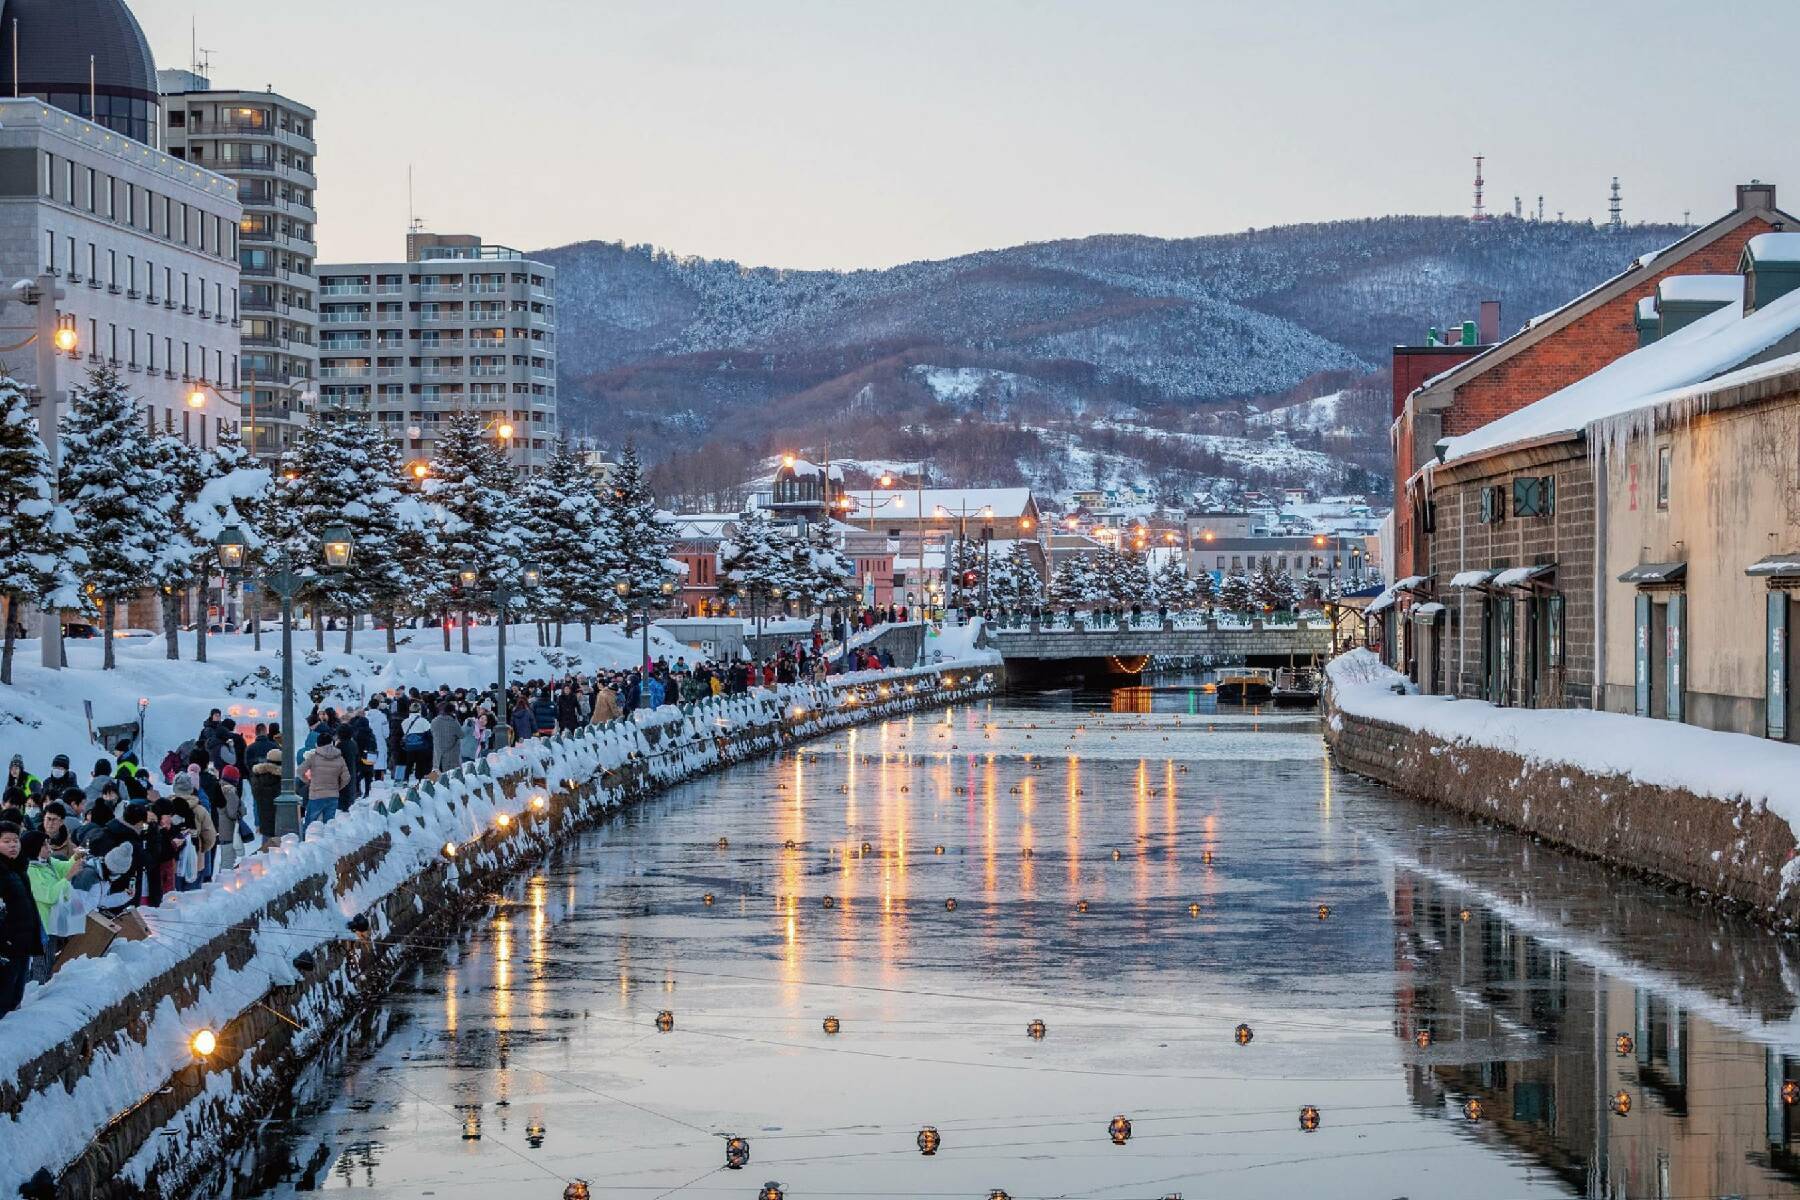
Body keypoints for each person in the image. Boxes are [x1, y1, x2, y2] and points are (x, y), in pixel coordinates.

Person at [0, 821, 43, 1016]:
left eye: (16, 840)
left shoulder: (18, 868)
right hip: (6, 947)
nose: (13, 845)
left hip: (22, 944)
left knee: (16, 997)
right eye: (6, 841)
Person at [300, 737, 350, 829]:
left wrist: (309, 782)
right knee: (328, 825)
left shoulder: (313, 757)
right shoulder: (339, 758)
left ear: (317, 744)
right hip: (333, 795)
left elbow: (300, 771)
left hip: (316, 795)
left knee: (309, 824)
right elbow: (346, 778)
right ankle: (327, 842)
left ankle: (307, 841)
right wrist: (338, 787)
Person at [249, 750, 282, 846]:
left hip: (264, 820)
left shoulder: (257, 777)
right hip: (279, 820)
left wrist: (257, 822)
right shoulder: (282, 779)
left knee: (266, 849)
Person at [398, 704, 432, 782]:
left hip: (409, 746)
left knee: (409, 763)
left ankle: (405, 779)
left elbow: (404, 732)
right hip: (421, 746)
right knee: (420, 763)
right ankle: (419, 780)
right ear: (419, 710)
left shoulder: (405, 721)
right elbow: (429, 733)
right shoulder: (423, 720)